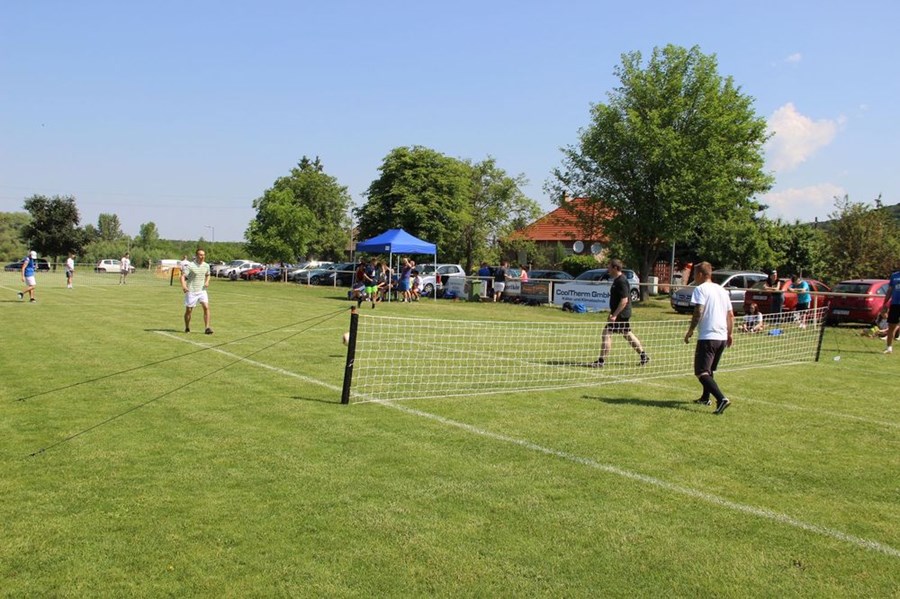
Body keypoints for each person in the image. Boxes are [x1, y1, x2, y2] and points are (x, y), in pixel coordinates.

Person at [684, 261, 734, 415]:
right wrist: (730, 334)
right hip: (721, 337)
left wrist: (691, 330)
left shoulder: (701, 289)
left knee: (701, 372)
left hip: (708, 336)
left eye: (694, 274)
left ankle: (721, 399)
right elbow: (730, 315)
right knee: (709, 369)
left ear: (700, 274)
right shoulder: (722, 290)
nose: (694, 277)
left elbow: (698, 310)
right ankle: (705, 398)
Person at [591, 258, 650, 368]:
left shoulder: (621, 281)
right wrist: (612, 312)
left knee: (606, 333)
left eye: (609, 266)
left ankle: (601, 361)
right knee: (627, 334)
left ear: (615, 268)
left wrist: (615, 315)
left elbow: (624, 300)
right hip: (620, 313)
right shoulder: (617, 280)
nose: (608, 269)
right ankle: (643, 356)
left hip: (621, 314)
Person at [181, 248, 213, 334]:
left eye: (204, 255)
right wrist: (184, 286)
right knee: (189, 310)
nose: (202, 256)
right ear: (196, 256)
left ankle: (207, 328)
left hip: (202, 290)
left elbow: (208, 275)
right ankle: (187, 327)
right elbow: (183, 276)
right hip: (191, 290)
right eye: (200, 255)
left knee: (206, 307)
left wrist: (207, 281)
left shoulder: (206, 265)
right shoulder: (190, 265)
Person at [878, 268, 900, 354]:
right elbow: (890, 290)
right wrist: (885, 304)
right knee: (892, 326)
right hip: (895, 304)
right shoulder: (894, 276)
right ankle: (889, 348)